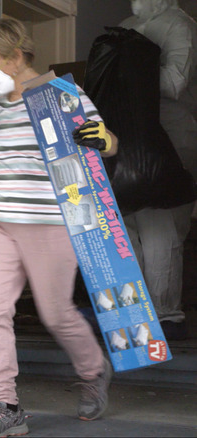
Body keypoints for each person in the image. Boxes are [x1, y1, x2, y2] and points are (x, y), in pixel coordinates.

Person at [0, 18, 118, 437]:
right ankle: (5, 406)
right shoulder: (3, 106)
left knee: (55, 313)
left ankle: (93, 370)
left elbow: (107, 142)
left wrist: (102, 140)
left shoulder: (62, 95)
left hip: (48, 220)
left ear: (16, 58)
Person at [119, 0, 197, 340]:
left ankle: (164, 315)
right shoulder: (127, 24)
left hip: (170, 136)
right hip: (127, 137)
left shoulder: (180, 25)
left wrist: (130, 68)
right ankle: (136, 313)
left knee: (161, 227)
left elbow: (176, 82)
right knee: (128, 224)